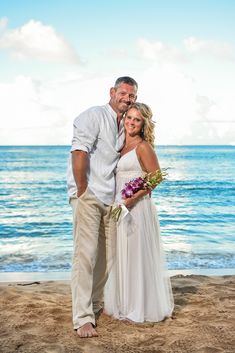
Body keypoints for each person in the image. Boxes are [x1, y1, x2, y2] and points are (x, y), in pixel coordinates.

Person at [67, 76, 138, 337]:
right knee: (85, 256)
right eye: (123, 93)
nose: (127, 98)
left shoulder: (123, 126)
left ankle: (95, 303)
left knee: (107, 258)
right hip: (89, 196)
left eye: (131, 95)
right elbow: (79, 152)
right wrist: (82, 190)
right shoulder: (93, 115)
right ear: (112, 92)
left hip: (110, 200)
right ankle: (83, 318)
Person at [104, 102, 174, 322]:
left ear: (143, 124)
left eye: (137, 119)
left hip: (137, 208)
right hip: (119, 206)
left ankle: (140, 306)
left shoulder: (143, 147)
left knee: (136, 255)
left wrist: (133, 198)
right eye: (129, 118)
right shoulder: (120, 144)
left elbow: (156, 177)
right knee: (120, 254)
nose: (131, 122)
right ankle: (123, 302)